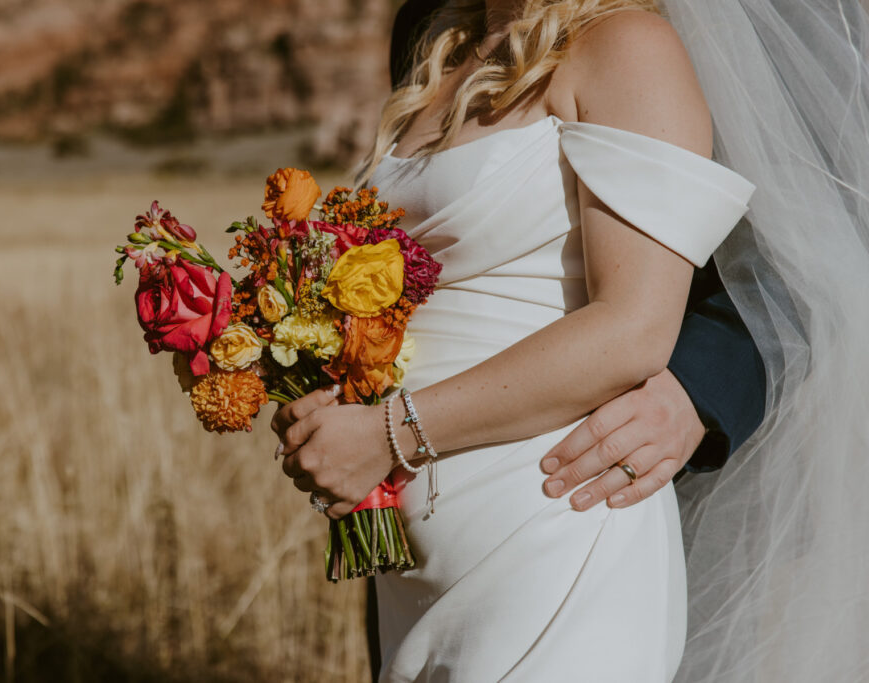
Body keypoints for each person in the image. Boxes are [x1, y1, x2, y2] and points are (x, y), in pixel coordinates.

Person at [275, 0, 869, 680]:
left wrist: (388, 435)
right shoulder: (440, 33)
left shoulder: (630, 46)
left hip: (552, 528)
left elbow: (635, 326)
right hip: (416, 572)